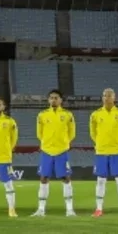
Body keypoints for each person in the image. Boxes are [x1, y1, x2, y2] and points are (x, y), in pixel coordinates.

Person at [34, 89, 77, 217]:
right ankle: (41, 209)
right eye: (51, 98)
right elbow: (39, 133)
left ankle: (69, 210)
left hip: (61, 151)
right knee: (44, 178)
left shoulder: (67, 115)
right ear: (48, 100)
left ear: (61, 100)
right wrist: (46, 143)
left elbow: (72, 132)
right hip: (46, 151)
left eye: (56, 98)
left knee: (65, 178)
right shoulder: (42, 115)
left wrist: (64, 143)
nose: (53, 100)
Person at [91, 88, 118, 218]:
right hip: (101, 152)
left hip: (116, 151)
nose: (106, 98)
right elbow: (93, 133)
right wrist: (100, 143)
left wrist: (117, 141)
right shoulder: (95, 114)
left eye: (109, 96)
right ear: (102, 98)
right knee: (100, 180)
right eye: (104, 95)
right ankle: (99, 209)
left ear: (114, 97)